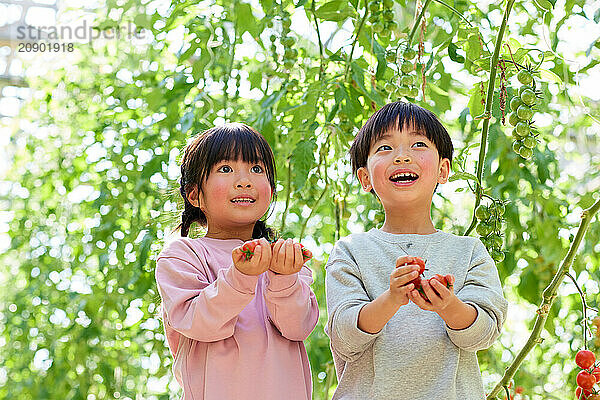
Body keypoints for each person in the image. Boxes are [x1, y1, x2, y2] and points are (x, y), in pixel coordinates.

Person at [325, 101, 508, 399]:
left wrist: (449, 306)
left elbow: (483, 333)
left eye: (418, 144)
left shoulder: (470, 252)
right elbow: (345, 337)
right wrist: (392, 298)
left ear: (443, 170)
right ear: (365, 178)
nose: (402, 156)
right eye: (385, 148)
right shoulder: (350, 251)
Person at [155, 123, 319, 400]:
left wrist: (284, 280)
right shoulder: (183, 255)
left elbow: (299, 327)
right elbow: (198, 322)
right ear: (194, 195)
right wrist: (240, 278)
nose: (245, 180)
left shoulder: (284, 260)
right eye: (226, 169)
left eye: (256, 169)